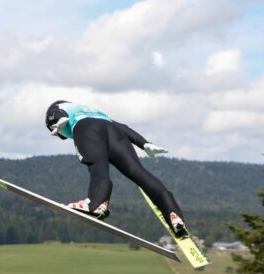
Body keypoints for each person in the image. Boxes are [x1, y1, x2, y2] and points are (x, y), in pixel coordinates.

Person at [45, 100, 188, 237]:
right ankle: (174, 215)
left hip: (87, 128)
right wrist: (144, 144)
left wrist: (58, 119)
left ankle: (96, 204)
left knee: (98, 168)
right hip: (114, 131)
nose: (62, 137)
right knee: (138, 172)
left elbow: (54, 112)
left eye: (59, 135)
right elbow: (123, 127)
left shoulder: (58, 107)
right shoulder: (91, 110)